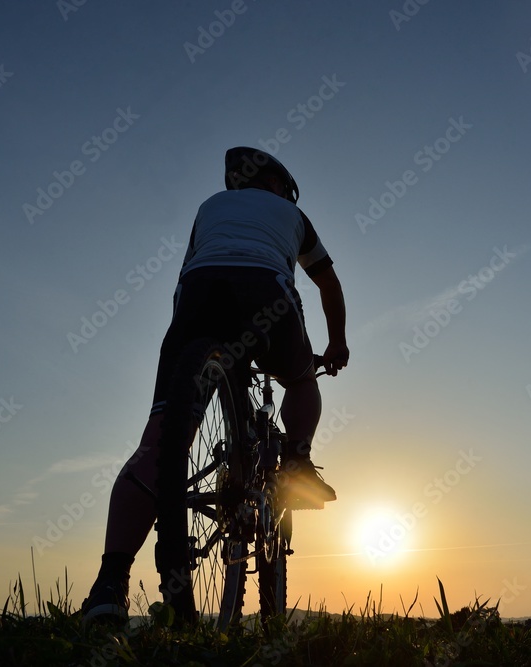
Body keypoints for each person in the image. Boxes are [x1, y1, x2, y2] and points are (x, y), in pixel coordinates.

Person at [80, 147, 348, 626]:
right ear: (279, 187)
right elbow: (328, 283)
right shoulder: (293, 214)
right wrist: (337, 344)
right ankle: (298, 465)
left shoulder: (210, 208)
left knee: (157, 444)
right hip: (266, 289)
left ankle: (111, 581)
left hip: (199, 295)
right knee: (303, 380)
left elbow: (187, 273)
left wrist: (192, 361)